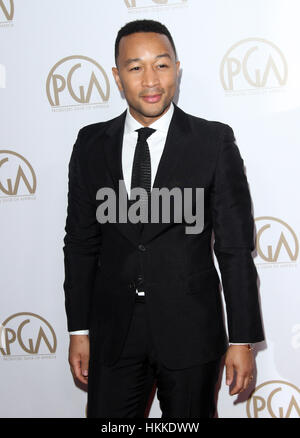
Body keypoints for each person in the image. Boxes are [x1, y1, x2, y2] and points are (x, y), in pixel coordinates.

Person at [63, 19, 264, 418]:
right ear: (118, 77)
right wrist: (79, 330)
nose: (151, 80)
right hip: (114, 333)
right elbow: (81, 243)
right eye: (136, 67)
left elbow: (235, 248)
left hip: (191, 330)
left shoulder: (213, 142)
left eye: (162, 64)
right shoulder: (90, 144)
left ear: (177, 69)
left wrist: (243, 339)